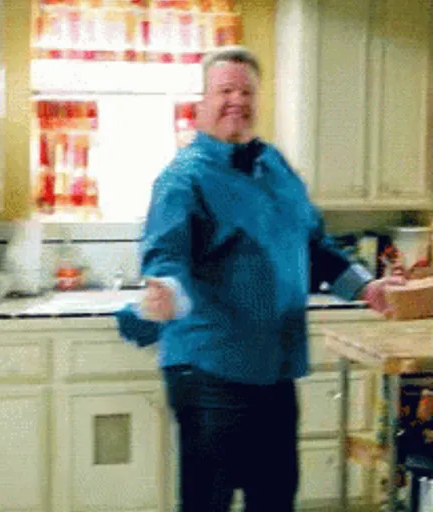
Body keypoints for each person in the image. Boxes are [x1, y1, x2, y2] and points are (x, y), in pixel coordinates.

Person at [115, 45, 403, 512]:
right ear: (202, 102)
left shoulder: (276, 167)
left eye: (246, 92)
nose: (237, 101)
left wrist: (365, 286)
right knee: (208, 502)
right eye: (225, 91)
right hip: (210, 369)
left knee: (274, 498)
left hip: (275, 368)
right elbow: (167, 256)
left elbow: (314, 244)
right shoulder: (183, 179)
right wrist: (166, 292)